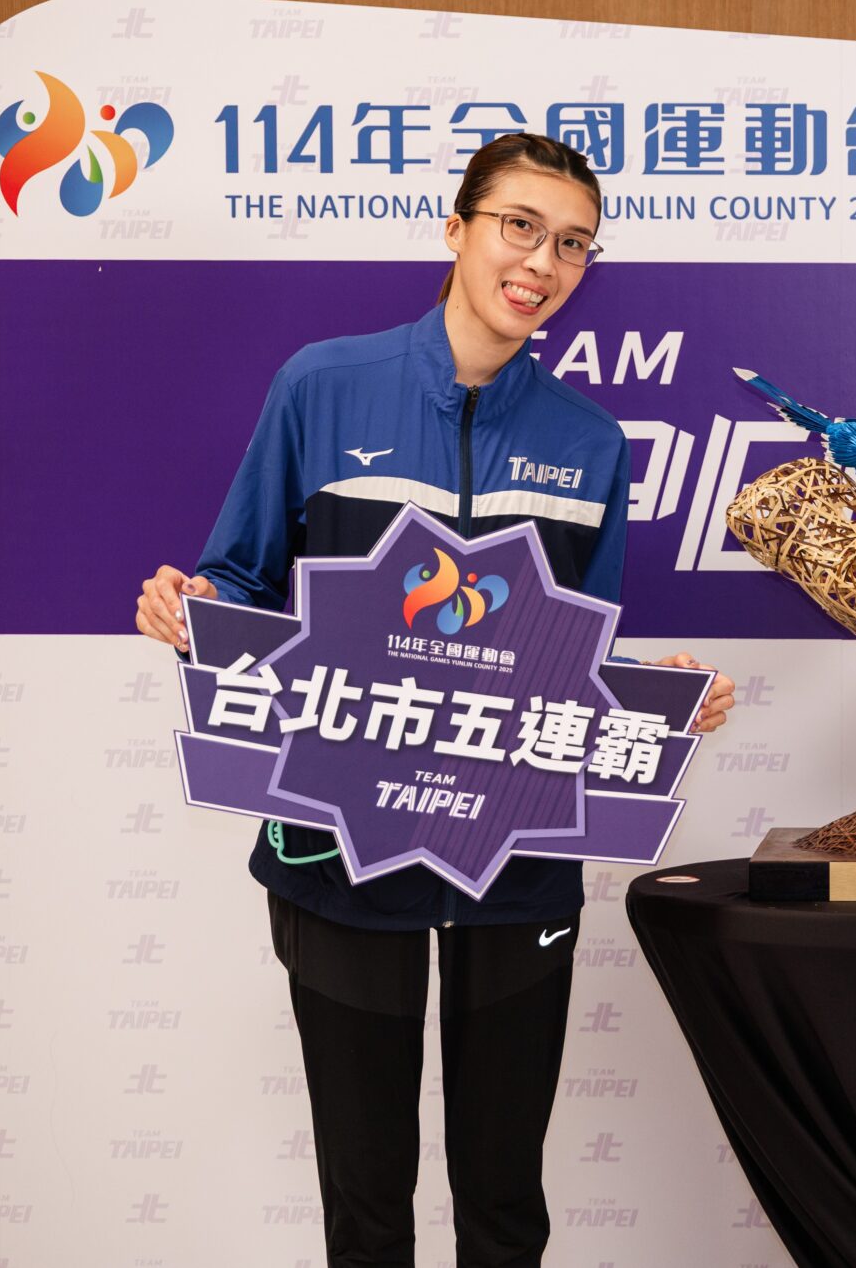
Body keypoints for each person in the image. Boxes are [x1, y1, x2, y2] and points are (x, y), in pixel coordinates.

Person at [132, 132, 735, 1268]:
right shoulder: (322, 386)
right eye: (520, 227)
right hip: (336, 842)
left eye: (573, 245)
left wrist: (656, 698)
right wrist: (193, 604)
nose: (542, 262)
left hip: (516, 862)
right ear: (456, 229)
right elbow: (243, 577)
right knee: (366, 1198)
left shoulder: (588, 442)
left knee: (503, 1198)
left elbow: (578, 651)